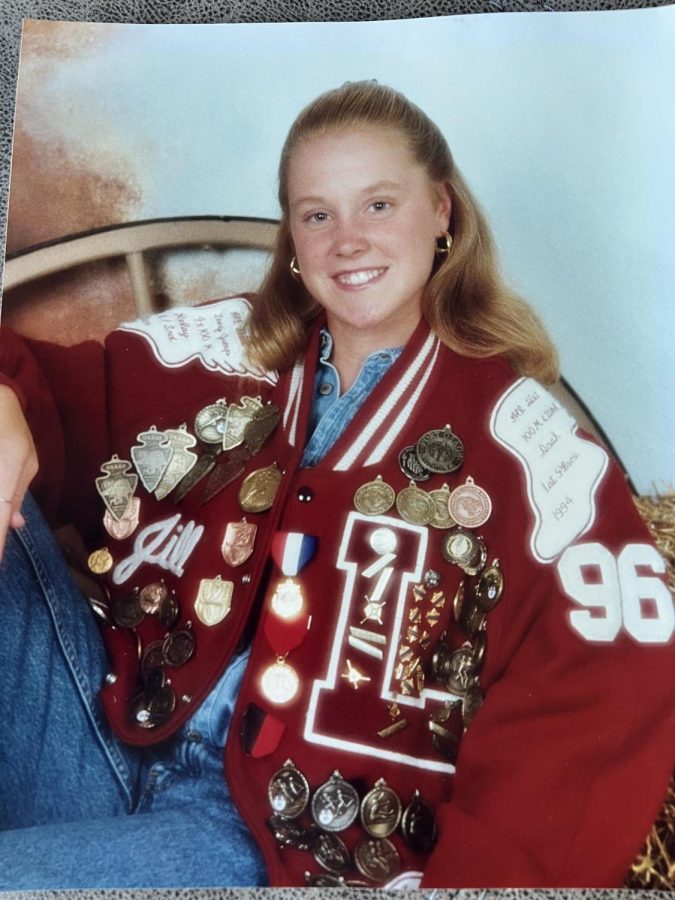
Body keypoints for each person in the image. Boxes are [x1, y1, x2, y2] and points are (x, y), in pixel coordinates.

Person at [0, 80, 673, 890]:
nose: (346, 240)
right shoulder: (217, 351)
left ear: (442, 213)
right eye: (318, 214)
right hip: (101, 721)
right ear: (293, 236)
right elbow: (58, 396)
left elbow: (603, 687)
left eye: (378, 206)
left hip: (266, 832)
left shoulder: (528, 446)